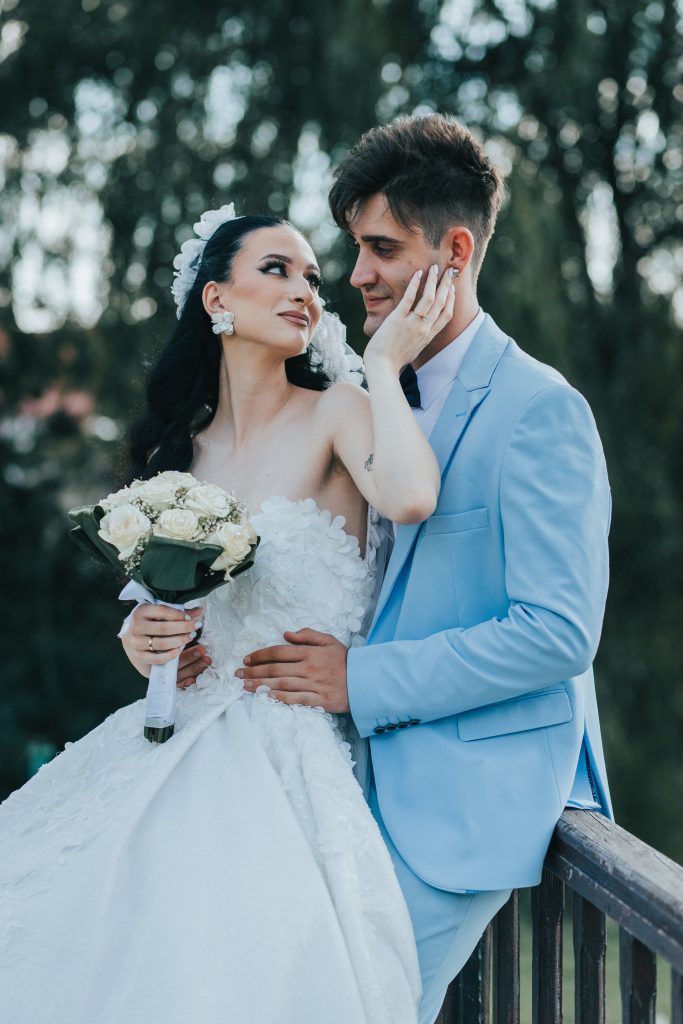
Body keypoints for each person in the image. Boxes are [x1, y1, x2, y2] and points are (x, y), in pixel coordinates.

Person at [0, 207, 459, 1023]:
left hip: (289, 752)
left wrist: (385, 366)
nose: (304, 291)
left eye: (311, 277)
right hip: (176, 737)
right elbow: (156, 608)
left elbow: (412, 496)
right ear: (216, 298)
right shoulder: (174, 457)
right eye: (276, 270)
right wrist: (145, 641)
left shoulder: (338, 410)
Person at [235, 114, 613, 1024]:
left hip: (468, 799)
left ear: (454, 251)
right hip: (343, 785)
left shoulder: (539, 408)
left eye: (381, 248)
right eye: (355, 249)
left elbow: (557, 634)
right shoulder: (365, 395)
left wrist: (358, 680)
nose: (356, 274)